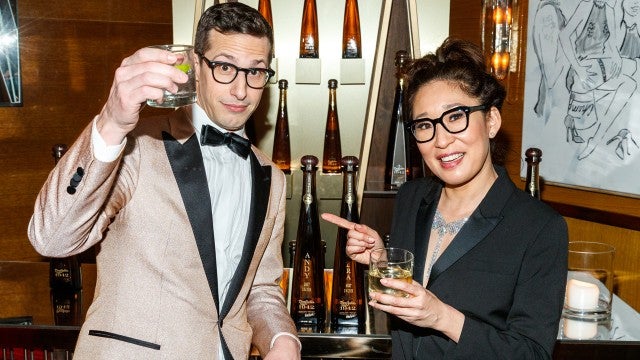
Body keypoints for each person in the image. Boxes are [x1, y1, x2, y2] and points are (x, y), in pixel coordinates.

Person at [28, 3, 300, 359]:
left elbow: (261, 288)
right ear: (196, 67)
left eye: (255, 72)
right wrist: (112, 121)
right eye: (224, 67)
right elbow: (52, 238)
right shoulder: (138, 147)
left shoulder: (273, 178)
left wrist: (282, 338)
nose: (240, 90)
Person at [323, 38, 568, 359]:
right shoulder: (412, 197)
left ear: (491, 121)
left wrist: (442, 317)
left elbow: (533, 353)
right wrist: (382, 261)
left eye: (456, 117)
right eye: (425, 125)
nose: (441, 140)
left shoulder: (539, 228)